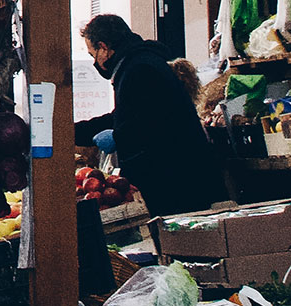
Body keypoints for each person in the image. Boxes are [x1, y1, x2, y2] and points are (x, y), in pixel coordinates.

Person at [75, 14, 222, 216]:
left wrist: (118, 137)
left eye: (93, 55)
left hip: (175, 179)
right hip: (173, 176)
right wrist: (76, 131)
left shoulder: (140, 69)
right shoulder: (137, 64)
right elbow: (124, 116)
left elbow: (152, 123)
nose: (95, 62)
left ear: (104, 47)